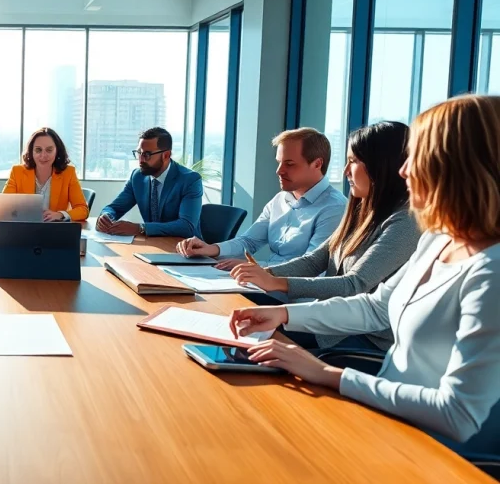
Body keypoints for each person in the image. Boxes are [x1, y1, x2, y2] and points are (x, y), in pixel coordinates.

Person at [229, 95, 500, 445]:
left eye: (417, 158)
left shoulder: (490, 272)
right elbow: (375, 306)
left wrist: (328, 374)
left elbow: (458, 415)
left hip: (427, 448)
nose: (404, 171)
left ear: (460, 168)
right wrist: (282, 314)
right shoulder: (438, 238)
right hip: (386, 417)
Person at [228, 122, 420, 350]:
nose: (345, 171)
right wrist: (262, 274)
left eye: (354, 161)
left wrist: (275, 282)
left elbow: (354, 284)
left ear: (381, 166)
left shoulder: (406, 222)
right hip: (327, 322)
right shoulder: (361, 210)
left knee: (251, 341)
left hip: (361, 340)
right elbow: (315, 260)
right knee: (239, 312)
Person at [176, 127, 346, 269]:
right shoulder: (280, 200)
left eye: (289, 164)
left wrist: (258, 270)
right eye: (279, 162)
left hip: (296, 299)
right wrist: (210, 249)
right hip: (264, 286)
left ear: (317, 164)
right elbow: (249, 241)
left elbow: (311, 266)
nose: (279, 171)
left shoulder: (334, 208)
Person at [97, 127, 202, 238]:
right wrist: (106, 216)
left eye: (147, 155)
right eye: (139, 153)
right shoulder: (137, 177)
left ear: (166, 155)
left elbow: (186, 227)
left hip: (186, 248)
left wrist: (140, 228)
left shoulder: (190, 180)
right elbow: (114, 208)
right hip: (153, 245)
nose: (141, 160)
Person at [3, 127, 89, 222]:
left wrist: (60, 214)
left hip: (54, 230)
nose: (43, 155)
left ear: (57, 151)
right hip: (25, 229)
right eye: (38, 150)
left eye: (49, 150)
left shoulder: (68, 173)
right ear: (31, 152)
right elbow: (4, 206)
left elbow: (83, 210)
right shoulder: (17, 172)